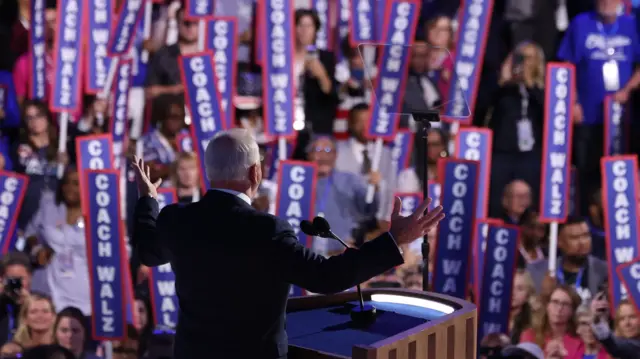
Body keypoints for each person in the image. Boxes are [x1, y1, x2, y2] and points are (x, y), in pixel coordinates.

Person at [131, 128, 445, 359]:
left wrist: (148, 200)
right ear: (255, 173)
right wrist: (394, 241)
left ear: (209, 172)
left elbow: (147, 249)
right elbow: (327, 277)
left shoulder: (178, 219)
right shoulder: (266, 229)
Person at [527, 217, 607, 303]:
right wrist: (544, 297)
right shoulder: (538, 272)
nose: (582, 242)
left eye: (586, 236)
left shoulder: (605, 271)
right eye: (574, 238)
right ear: (559, 241)